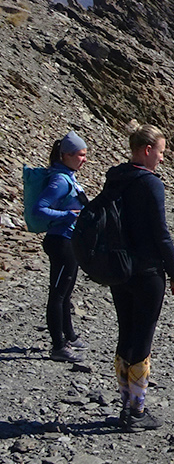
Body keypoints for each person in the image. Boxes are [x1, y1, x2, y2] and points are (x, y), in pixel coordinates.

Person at [102, 123, 174, 432]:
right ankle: (136, 411)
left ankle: (125, 404)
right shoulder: (151, 184)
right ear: (147, 150)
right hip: (147, 271)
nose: (162, 158)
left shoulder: (115, 177)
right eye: (160, 152)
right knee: (143, 339)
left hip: (118, 269)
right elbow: (161, 234)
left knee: (126, 333)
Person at [36, 131, 89, 362]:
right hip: (61, 242)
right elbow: (40, 208)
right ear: (66, 155)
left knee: (66, 293)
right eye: (80, 155)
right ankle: (58, 346)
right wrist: (67, 215)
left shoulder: (67, 176)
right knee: (58, 294)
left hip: (69, 240)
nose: (84, 159)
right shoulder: (59, 180)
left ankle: (70, 336)